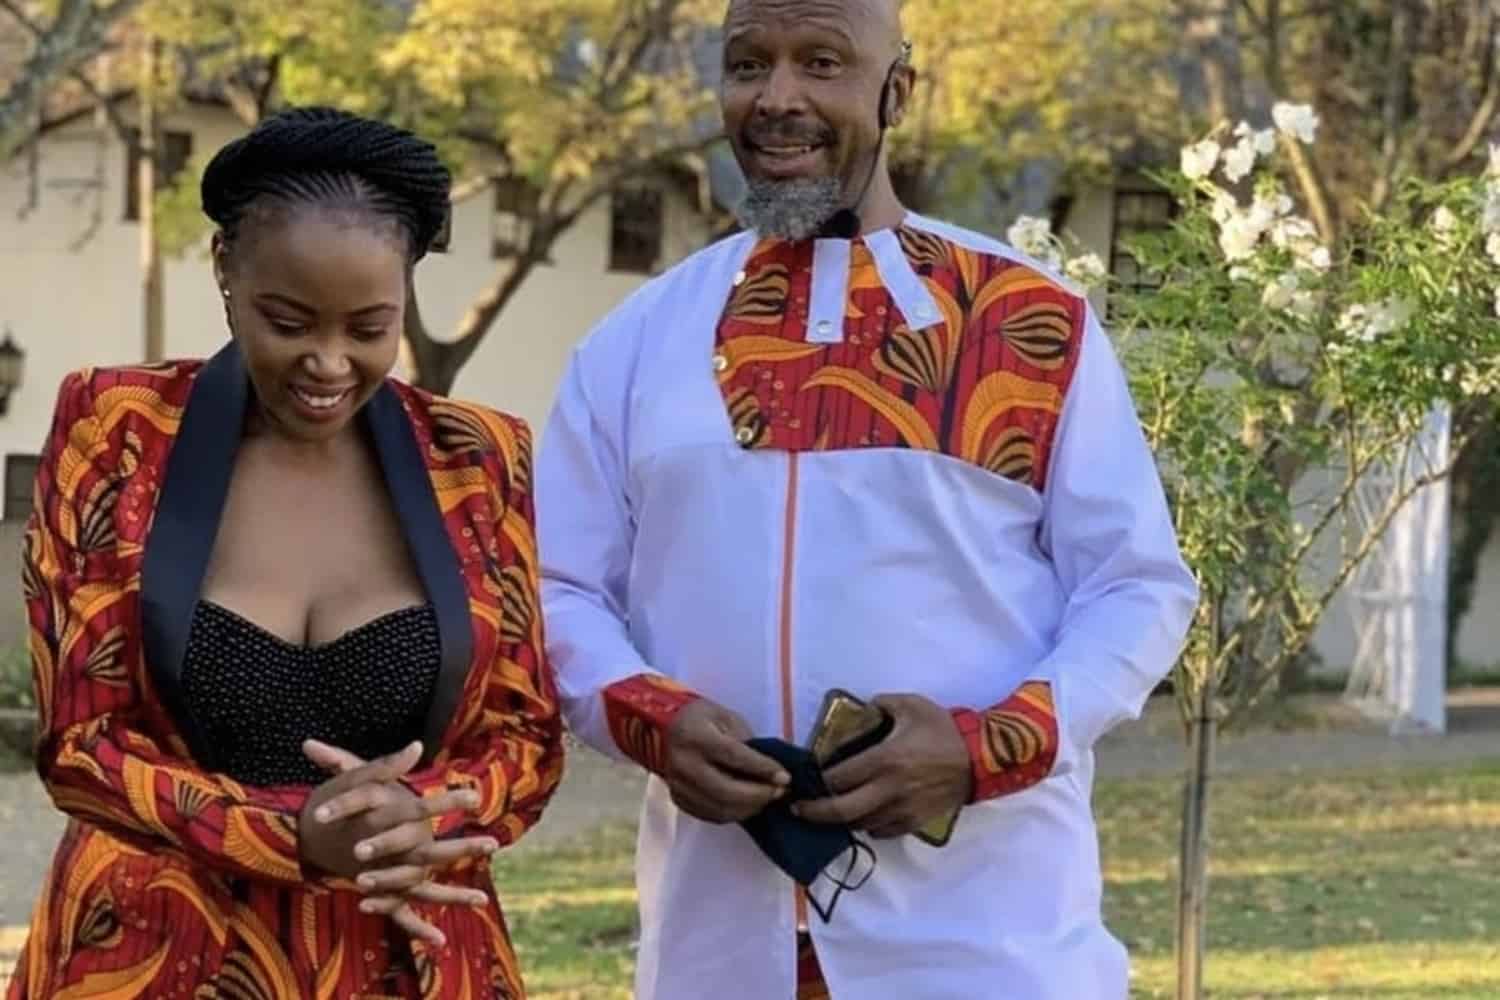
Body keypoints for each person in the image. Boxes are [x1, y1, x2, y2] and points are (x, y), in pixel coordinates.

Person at [535, 0, 1199, 996]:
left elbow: (1137, 587)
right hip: (717, 945)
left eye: (822, 62)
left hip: (988, 946)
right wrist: (646, 716)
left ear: (897, 92)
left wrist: (986, 747)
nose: (777, 97)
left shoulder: (1025, 323)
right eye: (748, 64)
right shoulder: (639, 339)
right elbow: (556, 587)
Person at [8, 108, 562, 999]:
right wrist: (291, 835)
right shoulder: (116, 431)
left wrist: (422, 815)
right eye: (289, 321)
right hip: (154, 955)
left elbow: (524, 733)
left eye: (369, 329)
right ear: (225, 267)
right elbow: (81, 743)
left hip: (410, 955)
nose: (329, 364)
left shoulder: (478, 459)